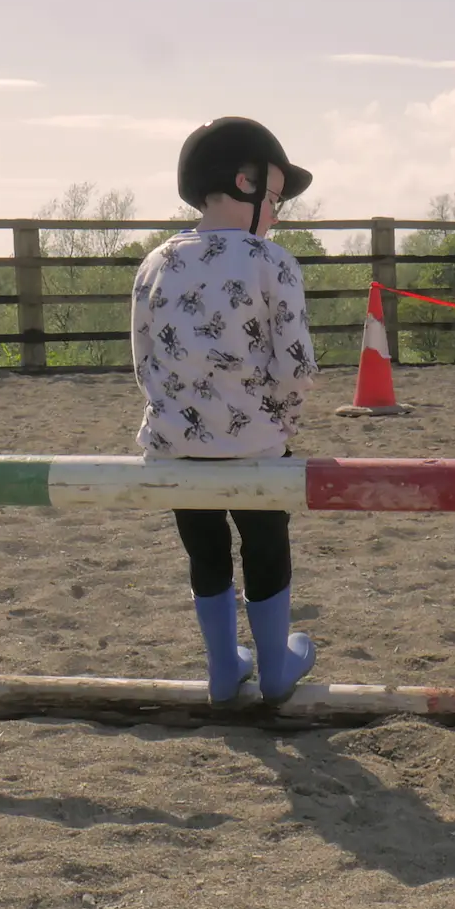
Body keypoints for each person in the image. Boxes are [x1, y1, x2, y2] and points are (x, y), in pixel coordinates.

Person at [130, 117, 320, 704]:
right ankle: (274, 668)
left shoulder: (155, 262)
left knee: (205, 552)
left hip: (177, 446)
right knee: (265, 547)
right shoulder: (272, 261)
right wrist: (283, 422)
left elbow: (143, 357)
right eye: (274, 196)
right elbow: (296, 366)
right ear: (243, 183)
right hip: (255, 445)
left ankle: (221, 668)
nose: (278, 210)